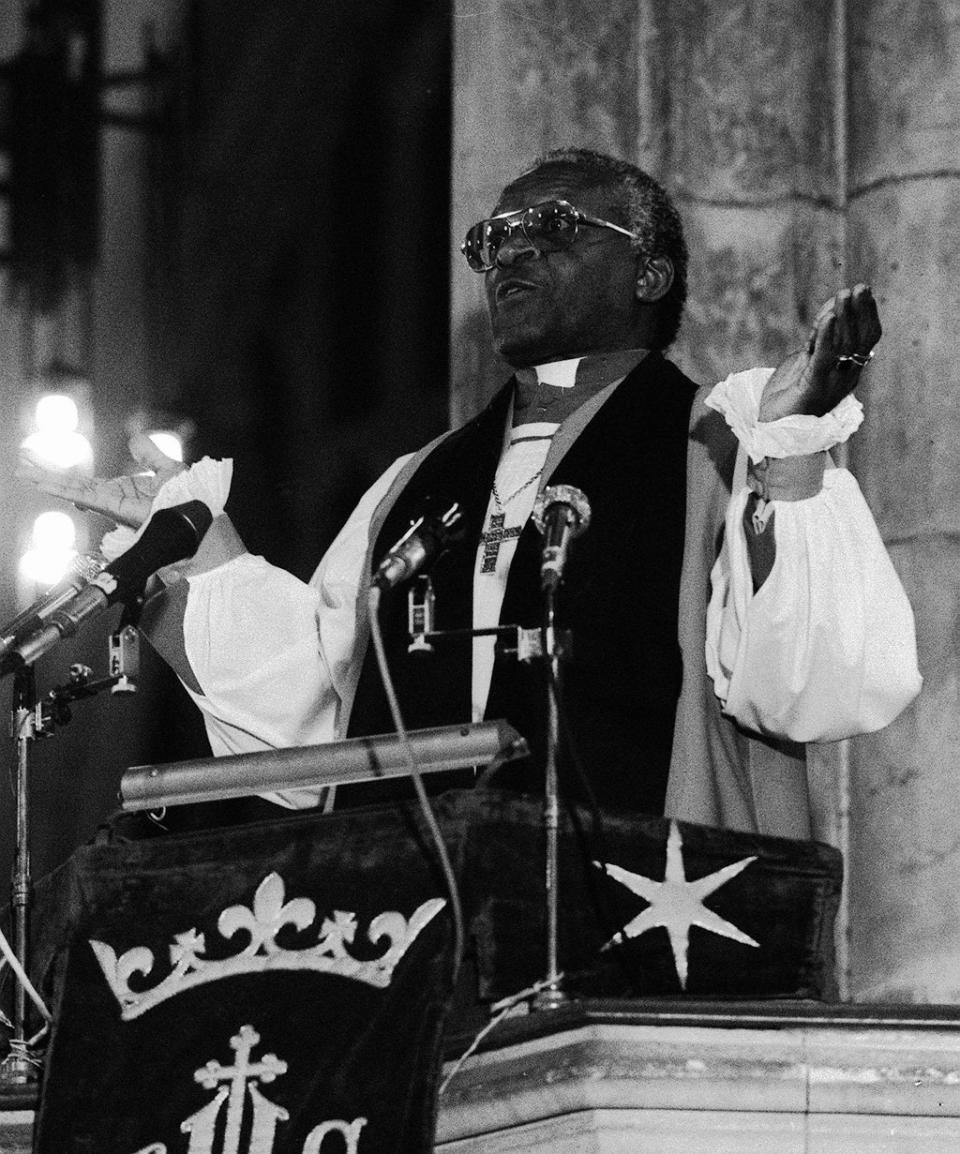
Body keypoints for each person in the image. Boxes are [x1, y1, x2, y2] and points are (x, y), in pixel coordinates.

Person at [20, 148, 921, 839]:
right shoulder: (418, 481)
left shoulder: (726, 449)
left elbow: (820, 686)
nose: (509, 250)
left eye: (557, 226)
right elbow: (325, 713)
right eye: (492, 238)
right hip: (426, 944)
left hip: (640, 927)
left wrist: (796, 461)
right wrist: (202, 549)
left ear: (649, 273)